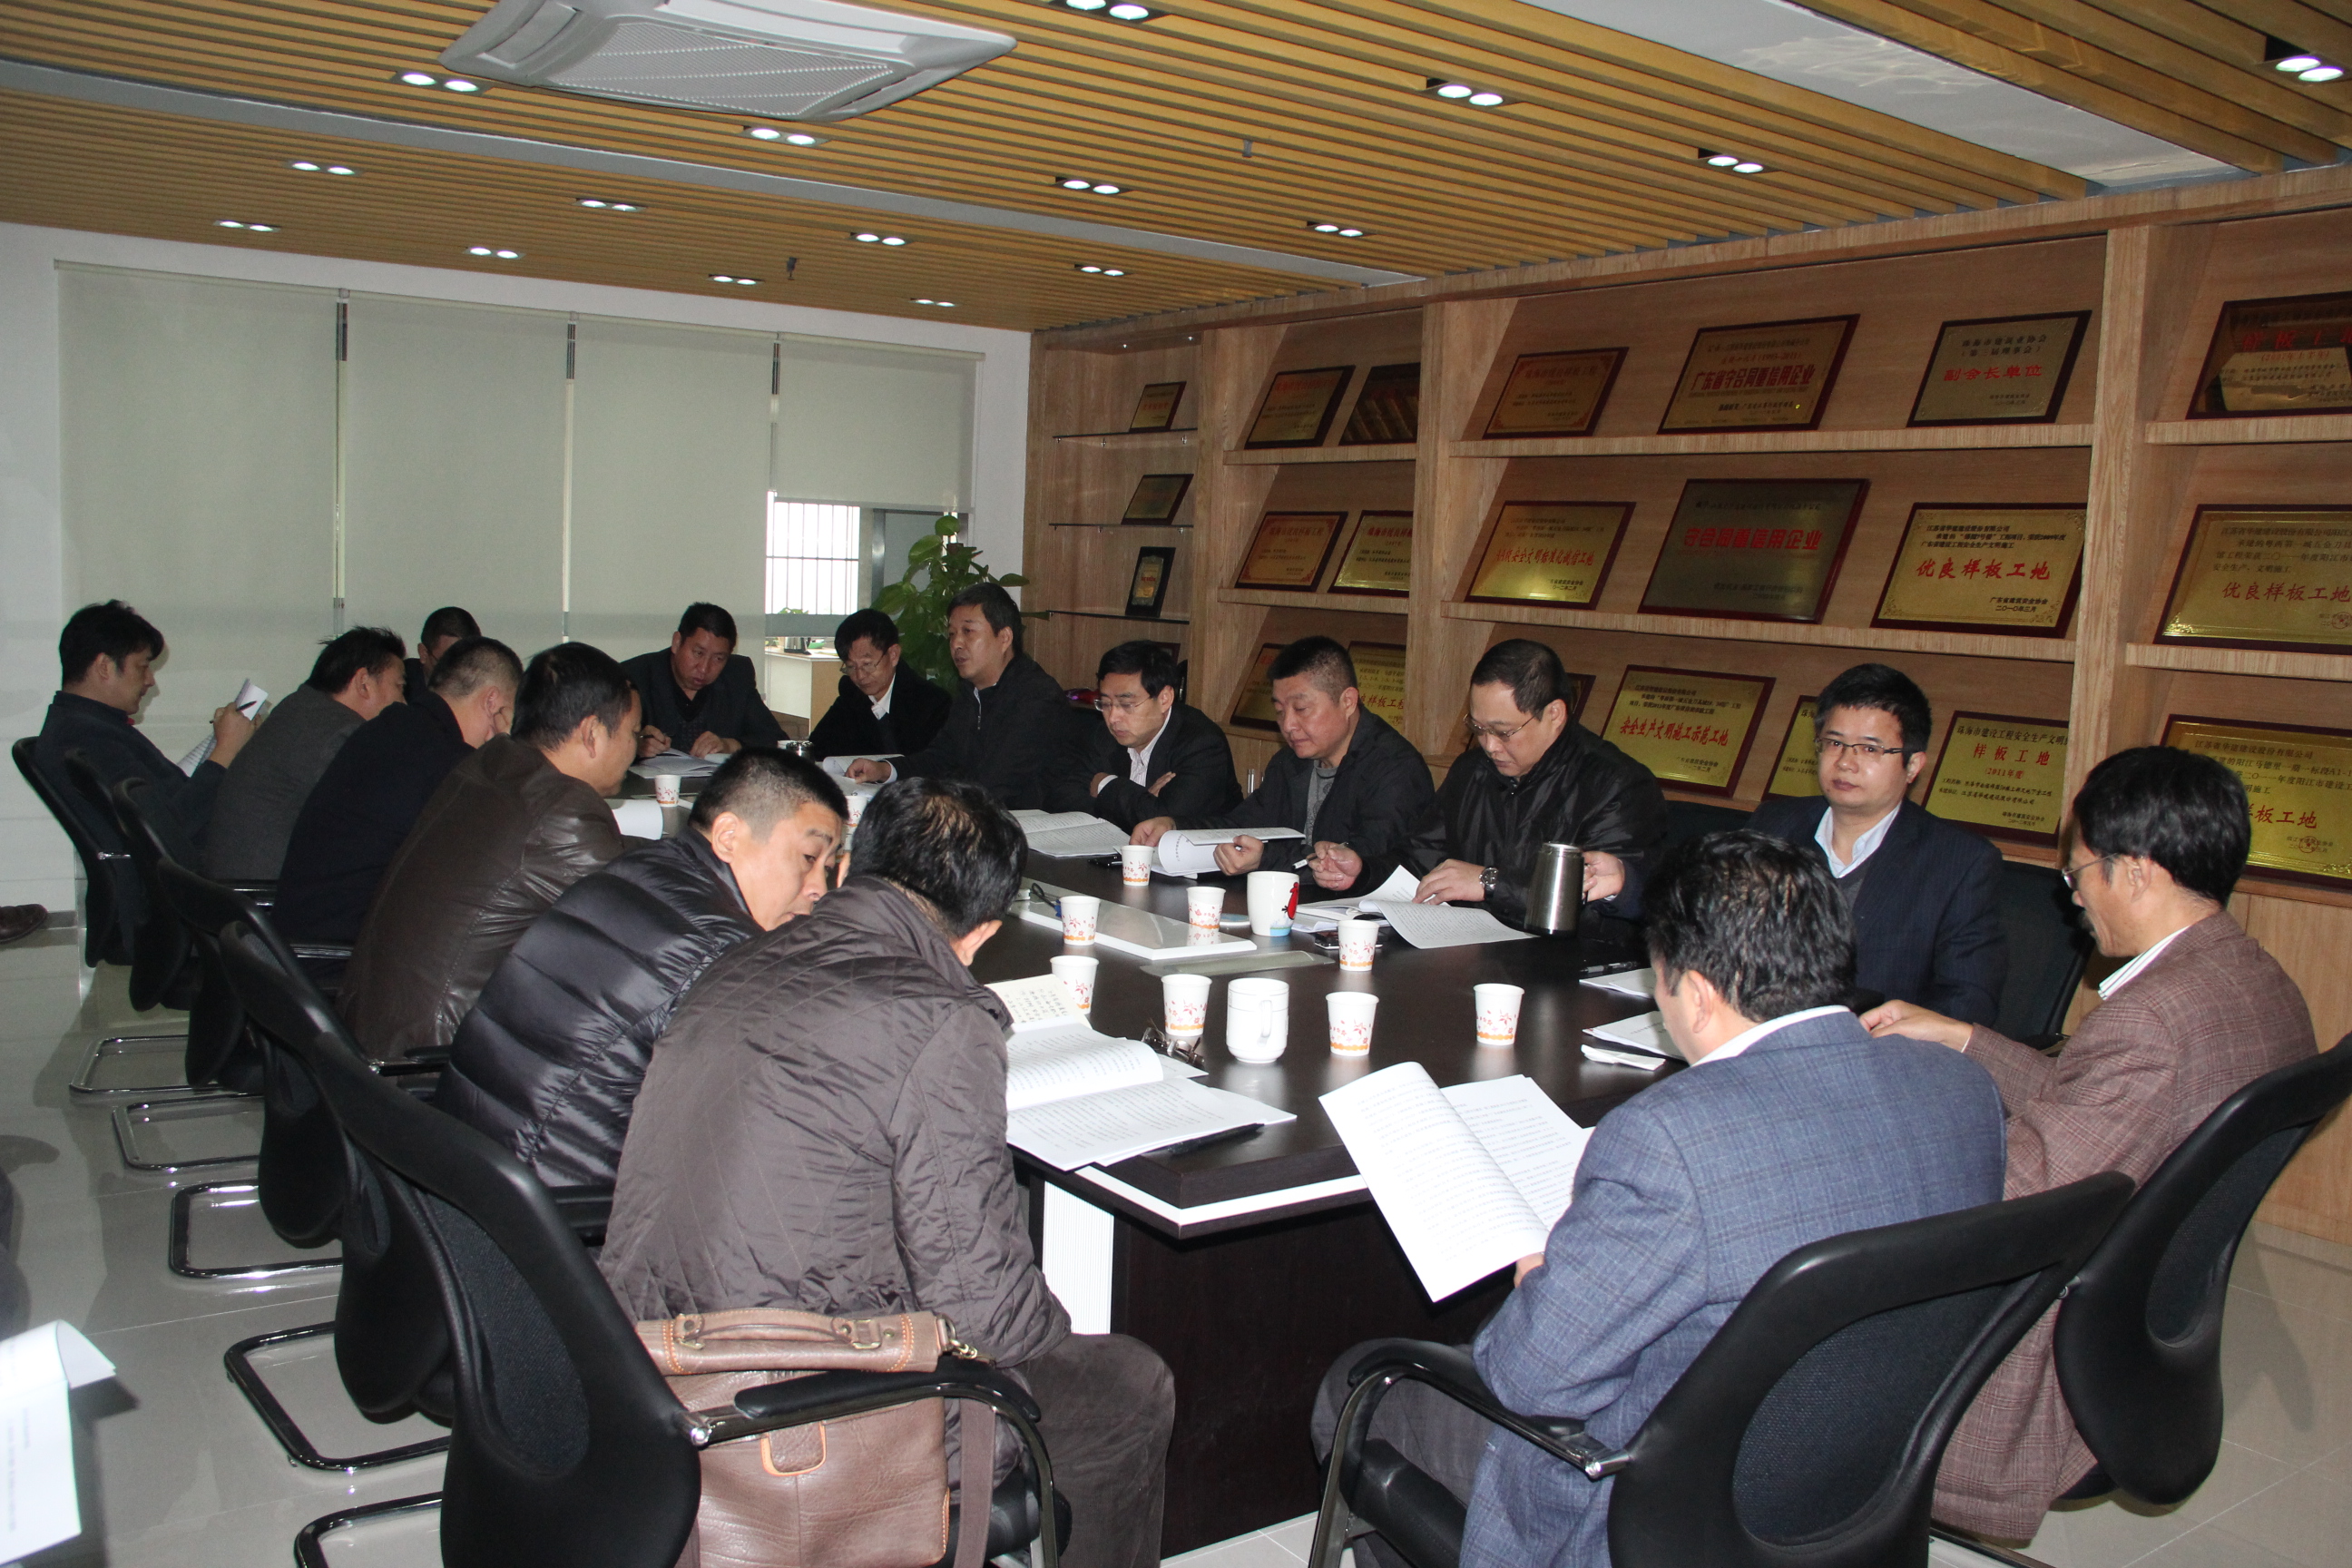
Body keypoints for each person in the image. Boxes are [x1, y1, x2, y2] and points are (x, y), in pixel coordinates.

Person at [1312, 831, 2006, 1568]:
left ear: (1698, 995)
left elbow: (1531, 1379)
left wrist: (1542, 1278)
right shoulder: (1962, 1089)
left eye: (1660, 980)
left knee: (1359, 1384)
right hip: (1861, 1482)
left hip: (1650, 1510)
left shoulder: (1670, 1138)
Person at [600, 777, 1174, 1568]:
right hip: (781, 1416)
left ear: (848, 868)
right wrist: (1056, 1338)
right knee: (1126, 1386)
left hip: (635, 1369)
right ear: (982, 932)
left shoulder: (737, 961)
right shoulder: (941, 1020)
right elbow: (986, 1311)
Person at [1862, 747, 2316, 1542]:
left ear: (2134, 872)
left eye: (2076, 875)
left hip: (2034, 1347)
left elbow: (2018, 1198)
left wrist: (1868, 1141)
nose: (2071, 898)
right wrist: (1965, 1038)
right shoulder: (2256, 980)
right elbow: (2108, 1110)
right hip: (2140, 1314)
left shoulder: (2153, 1022)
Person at [435, 750, 847, 1191]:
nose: (819, 889)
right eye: (808, 857)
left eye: (828, 867)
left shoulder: (642, 866)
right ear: (728, 836)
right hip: (557, 1210)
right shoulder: (725, 956)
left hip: (460, 1164)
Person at [338, 642, 639, 1065]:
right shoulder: (563, 811)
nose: (636, 747)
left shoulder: (491, 764)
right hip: (432, 1061)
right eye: (633, 733)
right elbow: (639, 918)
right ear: (592, 734)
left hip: (366, 1035)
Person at [1748, 663, 2006, 1023]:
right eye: (1834, 743)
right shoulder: (1773, 825)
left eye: (1870, 749)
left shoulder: (1960, 863)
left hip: (1878, 1048)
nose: (1845, 763)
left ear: (1913, 765)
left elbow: (1968, 1002)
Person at [1132, 637, 1433, 895]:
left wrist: (1266, 859)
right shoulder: (1290, 762)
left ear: (1348, 701)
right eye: (1279, 710)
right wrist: (1175, 827)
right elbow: (1241, 825)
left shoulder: (1395, 769)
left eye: (1301, 709)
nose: (1288, 725)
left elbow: (1362, 863)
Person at [1396, 639, 1667, 923]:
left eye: (1503, 732)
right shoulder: (1471, 770)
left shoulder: (1617, 786)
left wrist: (1491, 883)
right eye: (1478, 728)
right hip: (1468, 940)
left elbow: (1596, 909)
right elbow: (1419, 857)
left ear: (1554, 715)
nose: (1490, 746)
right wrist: (1369, 873)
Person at [275, 637, 522, 947]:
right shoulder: (448, 762)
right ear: (492, 702)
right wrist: (510, 751)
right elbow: (510, 844)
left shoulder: (392, 728)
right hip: (339, 954)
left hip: (299, 940)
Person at [34, 599, 257, 859]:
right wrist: (226, 750)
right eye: (142, 667)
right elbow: (170, 832)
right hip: (192, 875)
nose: (151, 680)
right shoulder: (87, 736)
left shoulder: (82, 725)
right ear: (105, 667)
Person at [846, 584, 1083, 810]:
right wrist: (884, 770)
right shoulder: (971, 692)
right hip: (983, 814)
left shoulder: (1036, 697)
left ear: (1004, 638)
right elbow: (941, 757)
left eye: (968, 631)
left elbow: (998, 782)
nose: (956, 643)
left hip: (1034, 824)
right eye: (952, 634)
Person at [204, 627, 407, 882]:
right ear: (364, 683)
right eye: (399, 686)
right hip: (266, 891)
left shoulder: (301, 708)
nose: (404, 702)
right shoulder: (339, 733)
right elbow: (378, 826)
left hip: (238, 884)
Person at [1044, 640, 1240, 832]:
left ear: (1164, 699)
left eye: (1126, 704)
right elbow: (1060, 800)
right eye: (1106, 703)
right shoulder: (1103, 734)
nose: (1113, 717)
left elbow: (1163, 824)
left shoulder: (1201, 744)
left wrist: (1106, 783)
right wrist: (1142, 801)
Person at [622, 603, 785, 760]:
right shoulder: (633, 677)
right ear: (677, 642)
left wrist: (730, 745)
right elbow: (609, 742)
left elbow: (777, 741)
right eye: (698, 653)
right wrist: (636, 745)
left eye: (718, 658)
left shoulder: (737, 676)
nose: (704, 668)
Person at [804, 607, 952, 761]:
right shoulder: (852, 695)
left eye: (867, 664)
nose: (860, 676)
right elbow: (816, 749)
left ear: (893, 655)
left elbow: (931, 764)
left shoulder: (932, 704)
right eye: (851, 667)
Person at [403, 606, 480, 705]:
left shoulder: (485, 688)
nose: (457, 673)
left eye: (467, 663)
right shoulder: (400, 688)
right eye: (447, 663)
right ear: (424, 653)